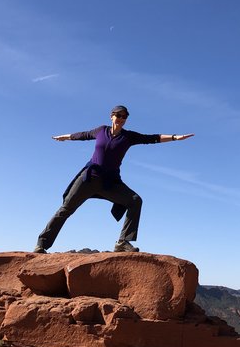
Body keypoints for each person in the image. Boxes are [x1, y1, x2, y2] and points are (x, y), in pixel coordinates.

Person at [34, 105, 193, 253]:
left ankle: (123, 242)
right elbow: (83, 135)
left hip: (109, 183)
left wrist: (174, 137)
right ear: (111, 116)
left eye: (124, 116)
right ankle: (41, 244)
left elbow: (151, 138)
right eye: (118, 115)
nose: (121, 118)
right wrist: (66, 137)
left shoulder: (128, 137)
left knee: (135, 200)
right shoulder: (101, 131)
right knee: (66, 209)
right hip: (89, 178)